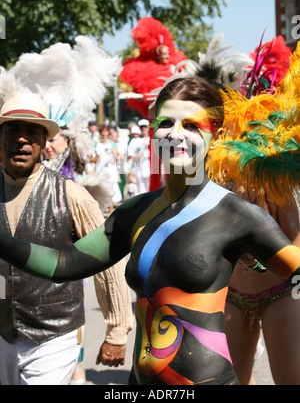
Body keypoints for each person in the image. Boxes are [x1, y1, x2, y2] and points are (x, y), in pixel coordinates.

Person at [1, 77, 300, 386]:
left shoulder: (237, 214)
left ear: (217, 135)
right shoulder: (133, 213)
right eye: (165, 123)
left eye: (192, 126)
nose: (175, 134)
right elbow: (61, 264)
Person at [0, 92, 132, 385]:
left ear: (44, 142)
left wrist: (117, 329)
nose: (21, 139)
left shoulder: (70, 194)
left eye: (31, 132)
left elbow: (107, 263)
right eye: (12, 130)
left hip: (54, 334)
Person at [44, 129, 132, 384]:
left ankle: (78, 369)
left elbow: (105, 256)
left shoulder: (71, 184)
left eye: (53, 140)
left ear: (67, 143)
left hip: (68, 263)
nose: (49, 146)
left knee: (72, 318)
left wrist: (117, 328)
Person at [225, 186, 300, 385]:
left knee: (290, 379)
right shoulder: (215, 172)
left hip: (280, 293)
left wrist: (259, 257)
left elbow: (296, 247)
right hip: (233, 294)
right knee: (234, 380)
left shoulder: (274, 181)